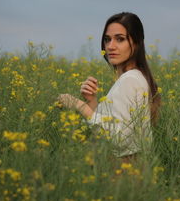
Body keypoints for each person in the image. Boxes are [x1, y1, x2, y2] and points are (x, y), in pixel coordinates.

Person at [58, 12, 160, 160]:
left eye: (120, 39)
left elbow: (120, 140)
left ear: (136, 43)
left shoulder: (130, 80)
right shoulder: (133, 77)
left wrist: (79, 105)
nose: (110, 46)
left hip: (124, 172)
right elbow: (112, 130)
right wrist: (91, 101)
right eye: (107, 39)